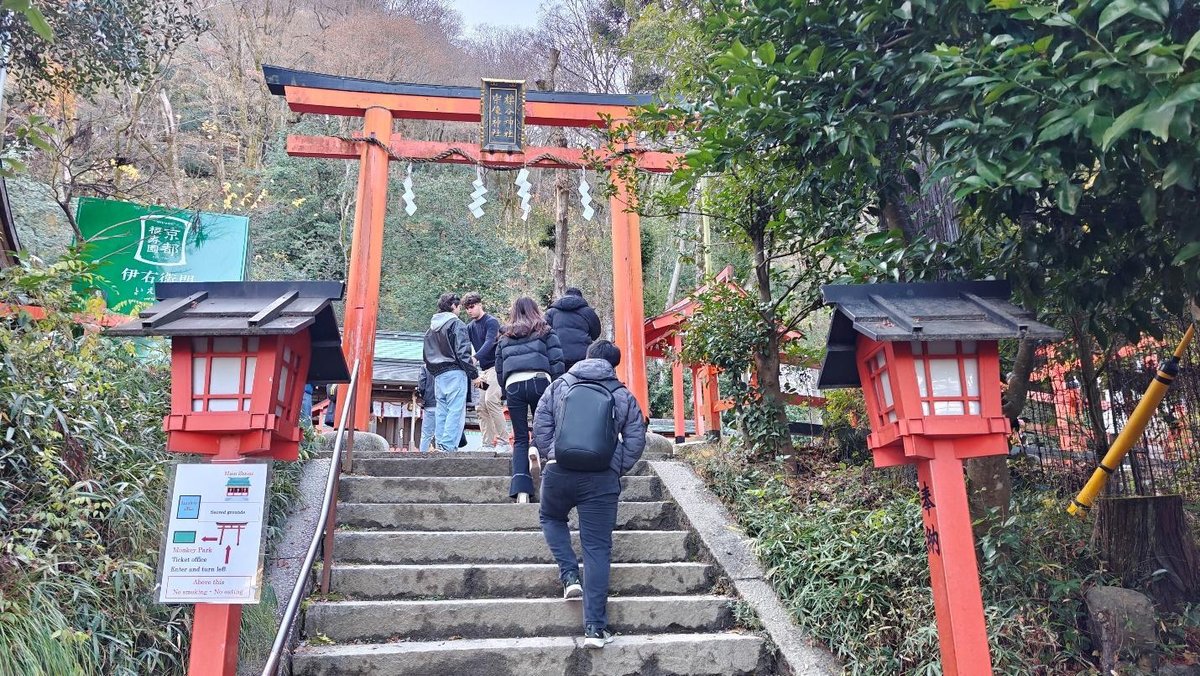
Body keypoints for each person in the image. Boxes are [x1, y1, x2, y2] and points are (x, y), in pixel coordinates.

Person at [532, 339, 647, 649]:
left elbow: (541, 423)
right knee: (597, 549)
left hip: (560, 471)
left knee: (551, 517)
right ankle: (595, 629)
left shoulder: (559, 385)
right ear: (614, 365)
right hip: (601, 479)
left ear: (586, 358)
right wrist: (613, 466)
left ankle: (569, 575)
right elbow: (636, 438)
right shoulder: (622, 394)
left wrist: (554, 454)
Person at [496, 296, 564, 502]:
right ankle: (538, 455)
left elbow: (499, 369)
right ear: (536, 310)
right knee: (545, 430)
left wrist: (505, 390)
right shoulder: (546, 331)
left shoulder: (504, 336)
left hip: (513, 384)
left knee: (519, 438)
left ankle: (522, 491)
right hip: (540, 382)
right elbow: (557, 362)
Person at [423, 292, 478, 452]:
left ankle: (441, 443)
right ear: (453, 306)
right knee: (455, 409)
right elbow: (463, 352)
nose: (460, 309)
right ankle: (448, 446)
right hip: (455, 371)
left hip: (438, 374)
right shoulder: (456, 324)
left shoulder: (431, 329)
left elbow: (426, 355)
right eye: (459, 306)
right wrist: (473, 374)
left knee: (442, 410)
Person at [463, 292, 507, 451]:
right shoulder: (469, 327)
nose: (469, 310)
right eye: (467, 308)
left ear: (480, 304)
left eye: (472, 306)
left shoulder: (491, 322)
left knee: (491, 400)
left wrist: (475, 358)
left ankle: (504, 441)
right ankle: (487, 444)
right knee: (480, 406)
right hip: (484, 372)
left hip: (496, 367)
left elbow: (490, 341)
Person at [545, 287, 601, 371]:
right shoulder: (588, 312)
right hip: (582, 357)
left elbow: (545, 334)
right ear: (580, 298)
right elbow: (596, 333)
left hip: (559, 357)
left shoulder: (551, 312)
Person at [417, 365, 436, 453]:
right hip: (444, 405)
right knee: (442, 433)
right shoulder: (446, 364)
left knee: (426, 434)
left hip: (429, 403)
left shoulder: (425, 367)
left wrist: (424, 396)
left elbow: (421, 384)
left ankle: (423, 454)